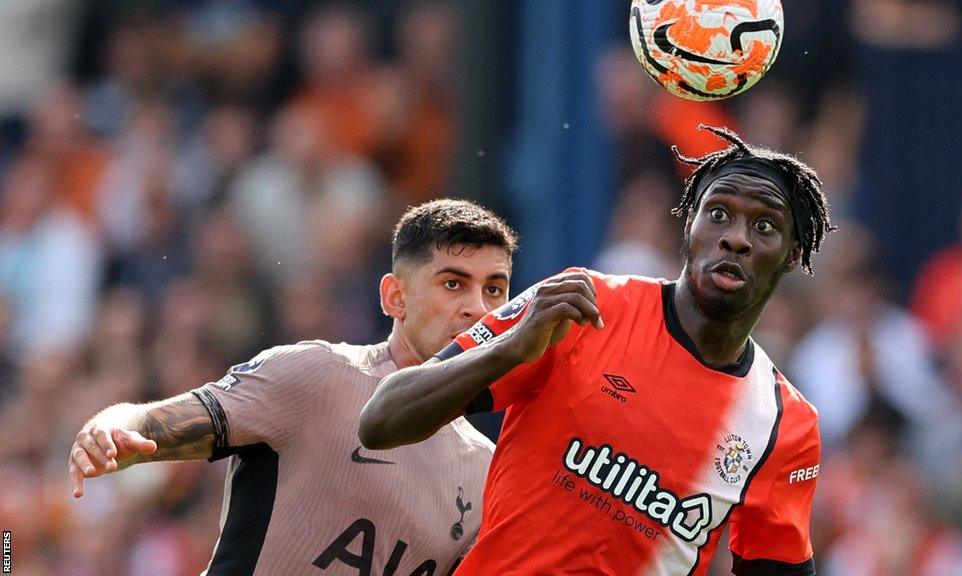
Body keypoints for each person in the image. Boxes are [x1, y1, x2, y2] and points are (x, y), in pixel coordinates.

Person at [360, 126, 836, 575]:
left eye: (766, 226)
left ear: (793, 253)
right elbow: (381, 420)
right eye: (718, 214)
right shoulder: (583, 303)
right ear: (688, 222)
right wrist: (509, 348)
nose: (736, 237)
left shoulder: (784, 424)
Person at [68, 199, 519, 576]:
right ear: (394, 297)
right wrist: (111, 426)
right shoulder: (315, 375)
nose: (478, 309)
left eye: (495, 291)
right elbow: (159, 418)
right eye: (453, 284)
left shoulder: (487, 473)